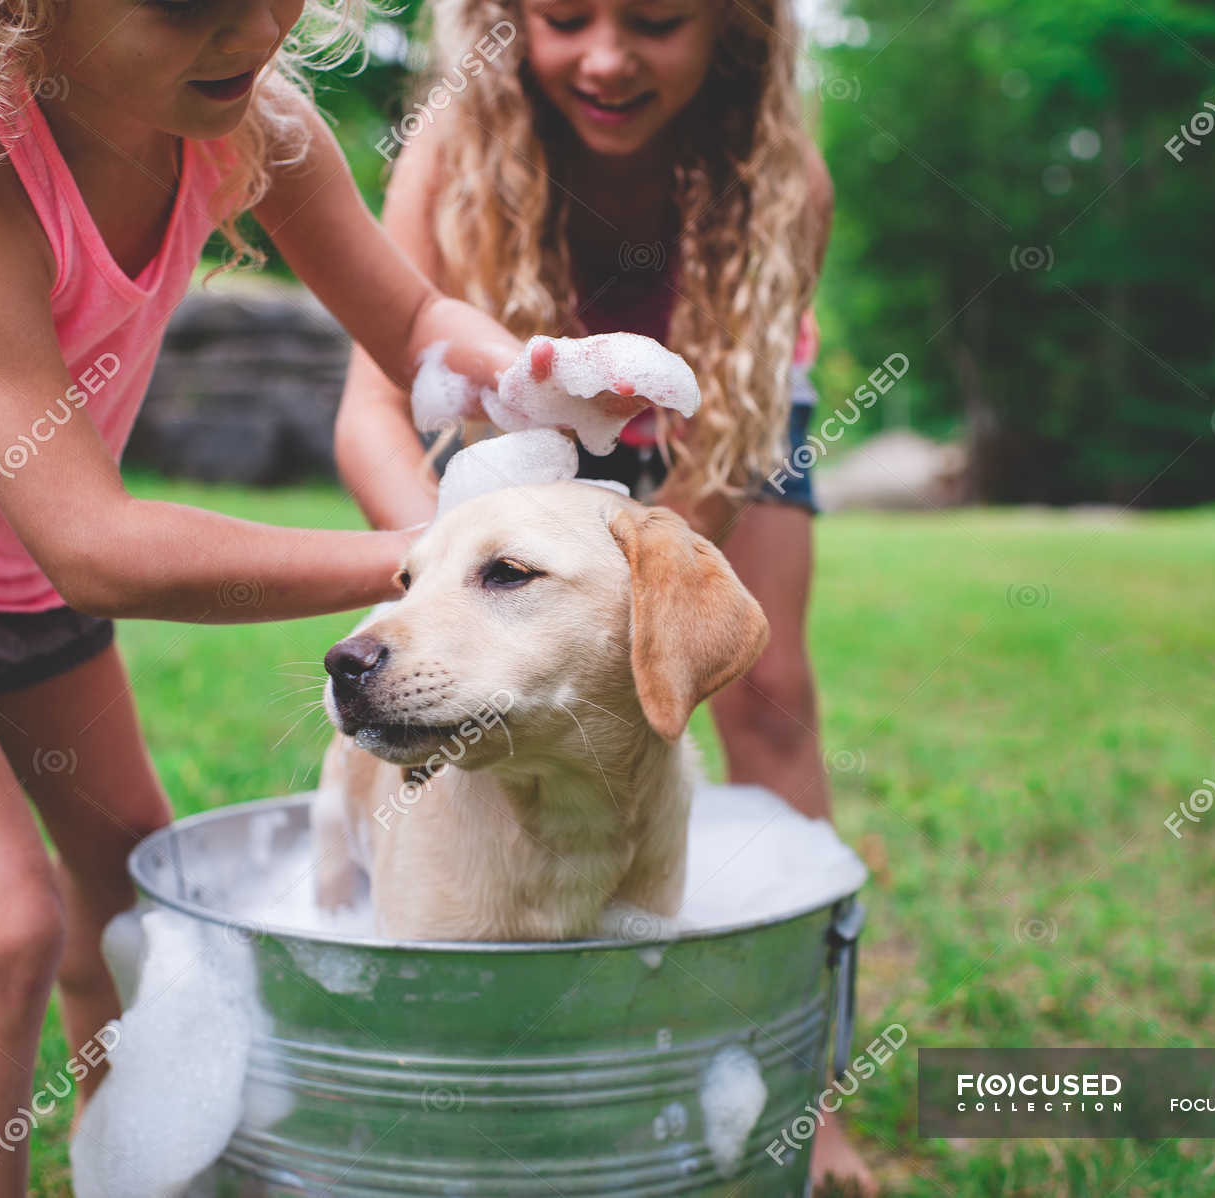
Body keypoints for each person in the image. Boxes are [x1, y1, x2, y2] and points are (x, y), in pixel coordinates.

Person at [0, 0, 538, 1191]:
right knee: (1, 925)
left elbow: (410, 323)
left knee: (133, 882)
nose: (252, 31)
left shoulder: (252, 123)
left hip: (19, 554)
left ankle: (125, 1162)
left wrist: (530, 374)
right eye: (189, 6)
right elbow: (99, 548)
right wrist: (425, 555)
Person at [334, 0, 874, 1190]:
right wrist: (455, 564)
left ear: (730, 32)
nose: (608, 56)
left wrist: (649, 580)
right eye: (565, 18)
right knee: (467, 683)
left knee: (770, 696)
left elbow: (720, 458)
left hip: (719, 408)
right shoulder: (454, 144)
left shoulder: (787, 180)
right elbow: (372, 408)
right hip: (501, 428)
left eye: (659, 21)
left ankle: (812, 1095)